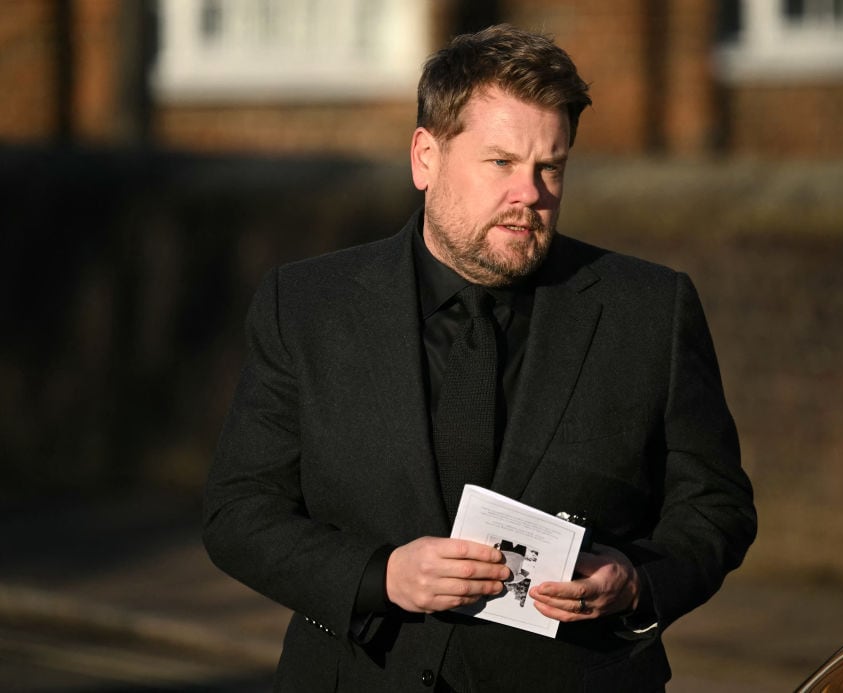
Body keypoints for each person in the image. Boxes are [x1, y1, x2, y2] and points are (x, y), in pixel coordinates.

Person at [204, 24, 756, 693]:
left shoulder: (650, 311)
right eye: (501, 162)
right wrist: (380, 575)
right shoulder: (309, 305)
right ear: (425, 158)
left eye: (550, 167)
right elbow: (239, 513)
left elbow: (715, 505)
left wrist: (637, 582)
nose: (531, 194)